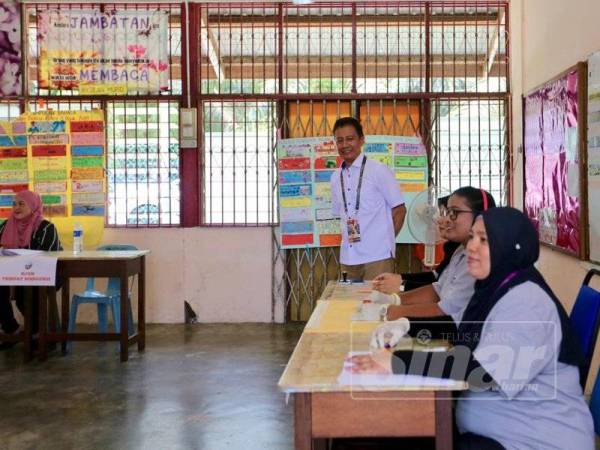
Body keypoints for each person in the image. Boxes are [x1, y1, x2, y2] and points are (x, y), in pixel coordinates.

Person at [350, 207, 595, 450]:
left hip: (532, 440)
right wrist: (406, 326)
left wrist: (396, 361)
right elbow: (461, 335)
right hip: (499, 431)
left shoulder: (527, 301)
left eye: (484, 240)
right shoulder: (495, 287)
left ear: (510, 245)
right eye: (472, 238)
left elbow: (482, 371)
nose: (471, 247)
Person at [374, 187, 496, 327]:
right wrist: (393, 300)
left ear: (480, 216)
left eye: (454, 213)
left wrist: (399, 311)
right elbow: (438, 290)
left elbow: (445, 310)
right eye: (445, 212)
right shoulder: (460, 251)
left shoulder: (480, 259)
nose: (442, 220)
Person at [330, 117, 406, 281]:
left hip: (377, 257)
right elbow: (342, 215)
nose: (345, 145)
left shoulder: (379, 171)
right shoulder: (335, 178)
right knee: (350, 305)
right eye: (340, 140)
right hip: (348, 257)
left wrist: (385, 242)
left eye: (350, 139)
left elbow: (400, 210)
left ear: (361, 140)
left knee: (377, 303)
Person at [0, 190, 62, 350]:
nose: (16, 208)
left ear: (33, 206)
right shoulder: (6, 226)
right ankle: (11, 329)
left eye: (21, 204)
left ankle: (38, 333)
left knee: (25, 295)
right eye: (14, 204)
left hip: (43, 274)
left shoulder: (45, 227)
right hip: (13, 273)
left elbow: (49, 255)